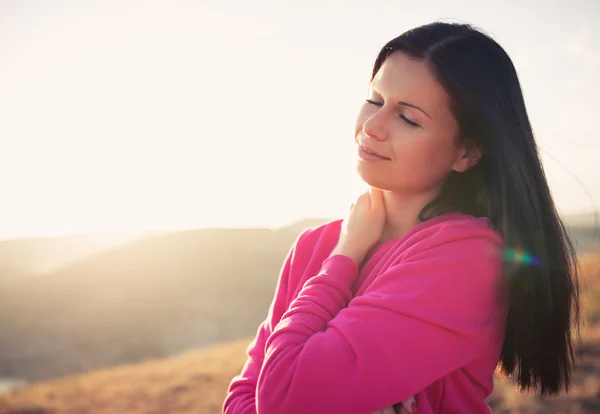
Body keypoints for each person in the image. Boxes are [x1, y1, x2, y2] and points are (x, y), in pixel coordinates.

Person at [222, 21, 580, 414]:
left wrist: (340, 266)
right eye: (375, 101)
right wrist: (343, 252)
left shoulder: (466, 257)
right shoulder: (315, 245)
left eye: (408, 118)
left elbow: (284, 399)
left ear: (467, 153)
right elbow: (241, 401)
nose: (372, 128)